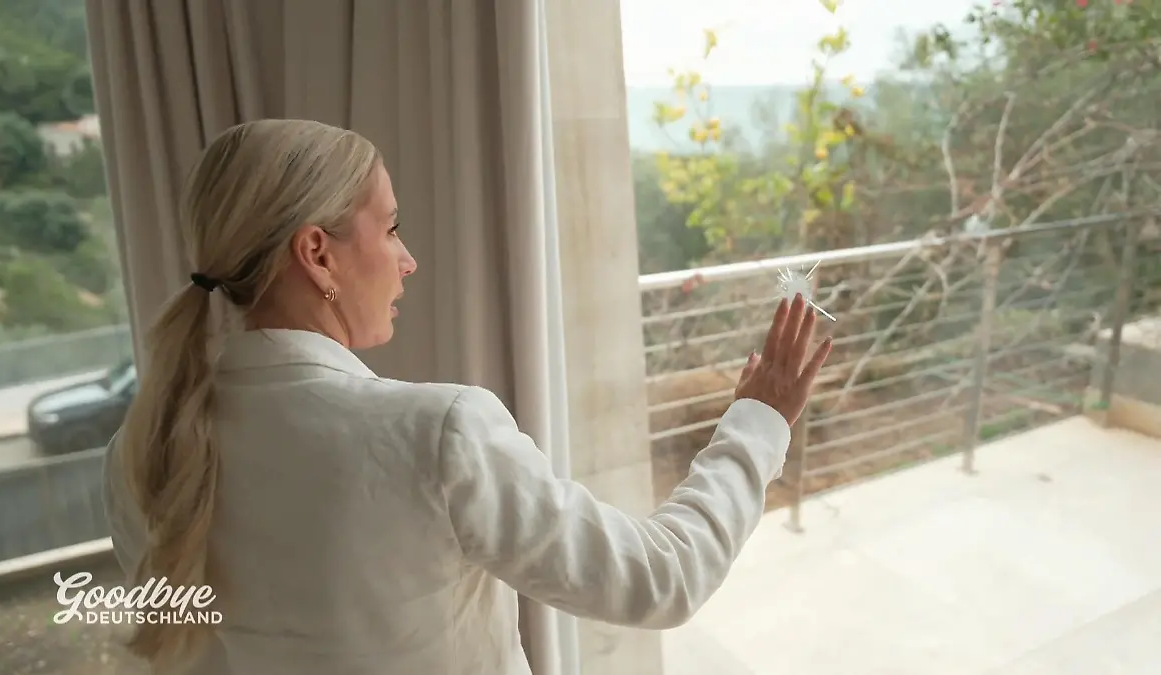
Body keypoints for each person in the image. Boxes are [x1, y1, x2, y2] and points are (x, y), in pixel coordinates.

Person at [101, 118, 832, 675]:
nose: (408, 259)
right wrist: (759, 420)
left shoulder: (140, 454)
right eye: (389, 228)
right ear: (316, 252)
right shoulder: (437, 434)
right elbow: (658, 579)